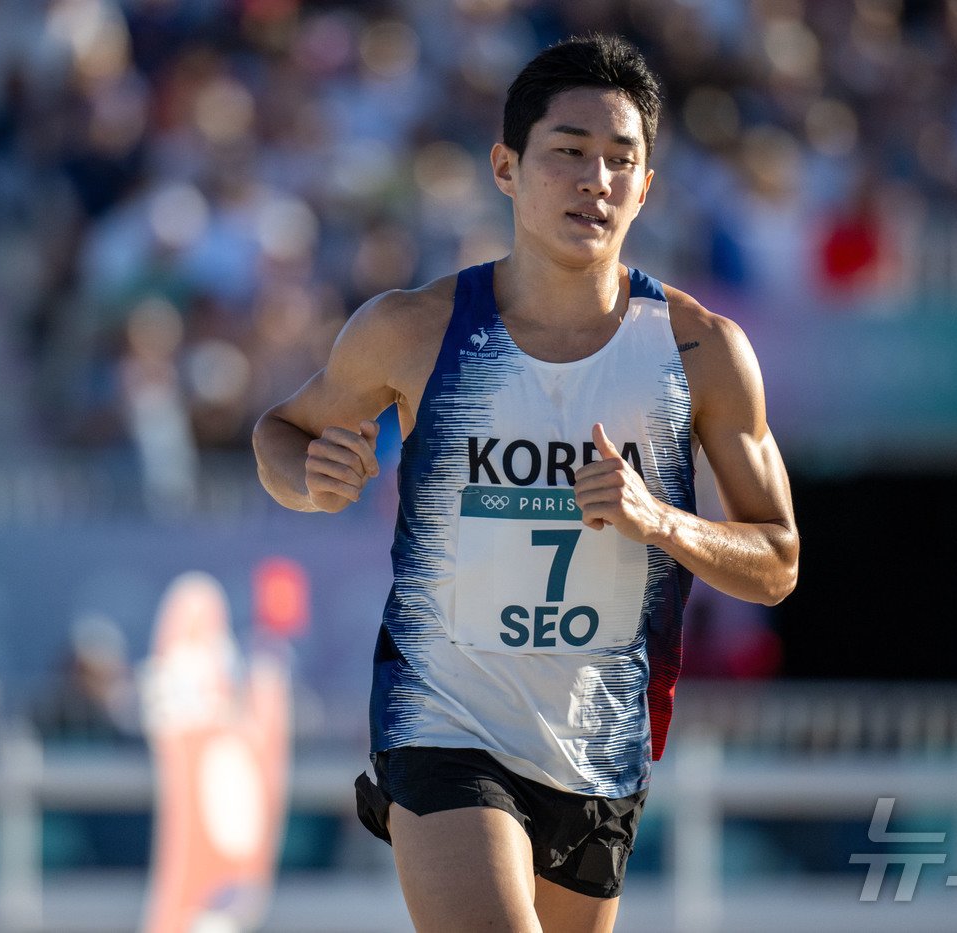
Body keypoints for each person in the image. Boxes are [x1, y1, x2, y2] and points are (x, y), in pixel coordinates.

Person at [252, 34, 798, 933]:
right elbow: (279, 433)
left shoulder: (700, 350)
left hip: (596, 742)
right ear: (506, 168)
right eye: (569, 152)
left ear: (646, 187)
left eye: (620, 160)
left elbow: (777, 562)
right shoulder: (416, 329)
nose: (596, 180)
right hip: (445, 719)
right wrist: (312, 482)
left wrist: (660, 520)